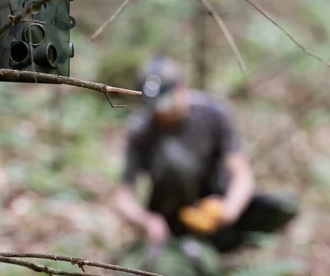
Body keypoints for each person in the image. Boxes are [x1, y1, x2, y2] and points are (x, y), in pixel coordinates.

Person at [114, 56, 298, 253]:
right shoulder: (142, 131)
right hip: (170, 214)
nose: (162, 112)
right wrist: (148, 222)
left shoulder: (213, 114)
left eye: (166, 102)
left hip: (216, 202)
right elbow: (122, 197)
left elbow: (241, 174)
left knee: (282, 207)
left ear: (182, 88)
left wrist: (230, 209)